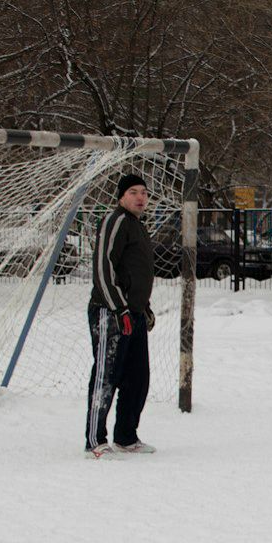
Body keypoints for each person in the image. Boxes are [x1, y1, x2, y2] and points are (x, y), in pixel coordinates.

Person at [84, 174, 158, 459]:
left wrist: (143, 307)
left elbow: (136, 273)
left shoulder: (138, 226)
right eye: (133, 192)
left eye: (144, 193)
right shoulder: (114, 221)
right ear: (121, 197)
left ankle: (126, 436)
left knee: (138, 378)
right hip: (110, 313)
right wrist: (119, 308)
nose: (140, 197)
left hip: (134, 313)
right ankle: (94, 441)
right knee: (106, 375)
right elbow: (104, 268)